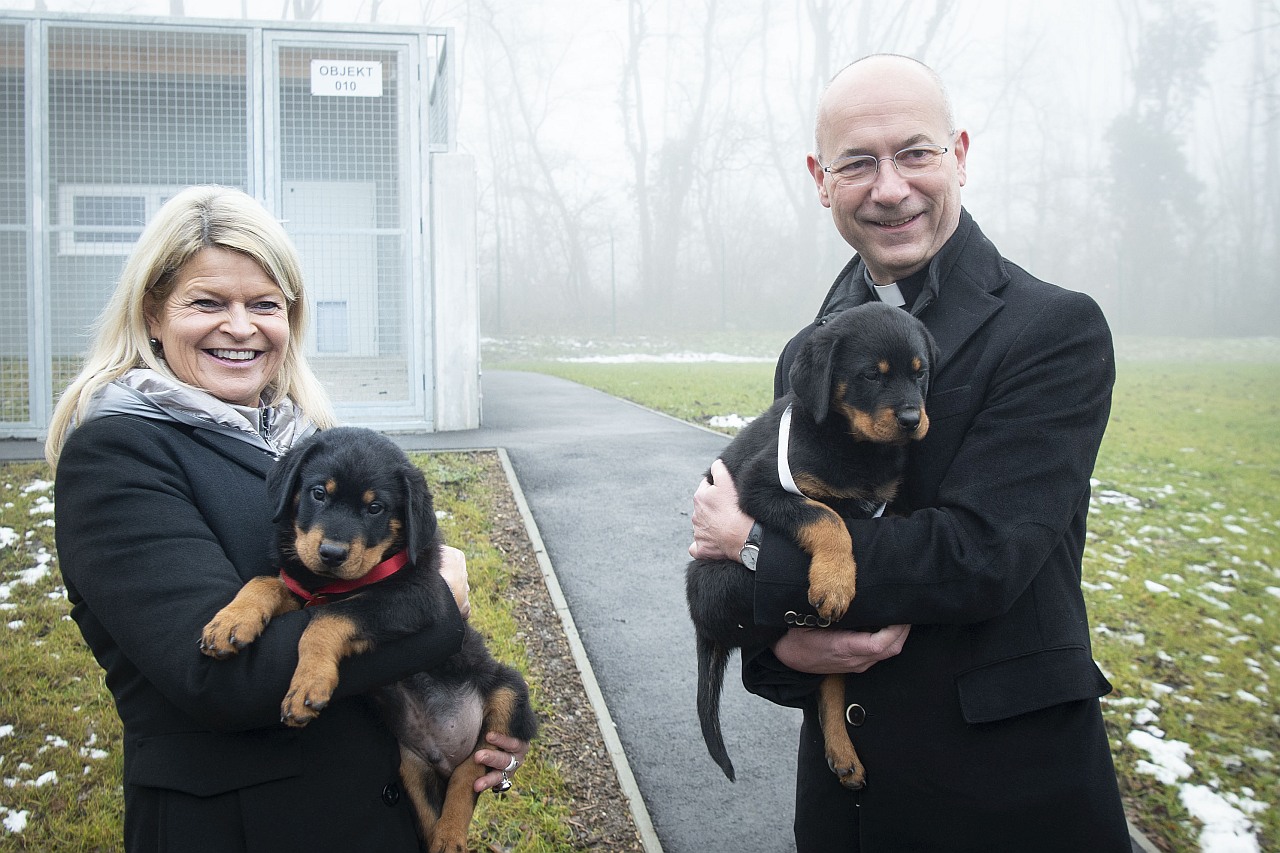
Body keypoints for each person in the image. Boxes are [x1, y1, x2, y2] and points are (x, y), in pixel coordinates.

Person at [689, 55, 1131, 852]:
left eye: (915, 153)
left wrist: (750, 548)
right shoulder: (813, 348)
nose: (889, 187)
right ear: (822, 179)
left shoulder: (1053, 330)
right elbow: (784, 571)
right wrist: (783, 644)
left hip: (1005, 798)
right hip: (845, 809)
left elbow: (983, 555)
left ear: (959, 153)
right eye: (858, 162)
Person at [46, 186, 529, 852]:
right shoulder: (117, 452)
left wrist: (465, 743)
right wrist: (437, 600)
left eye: (264, 304)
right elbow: (216, 678)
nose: (240, 326)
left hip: (378, 817)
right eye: (208, 301)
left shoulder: (302, 441)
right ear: (153, 313)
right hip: (245, 829)